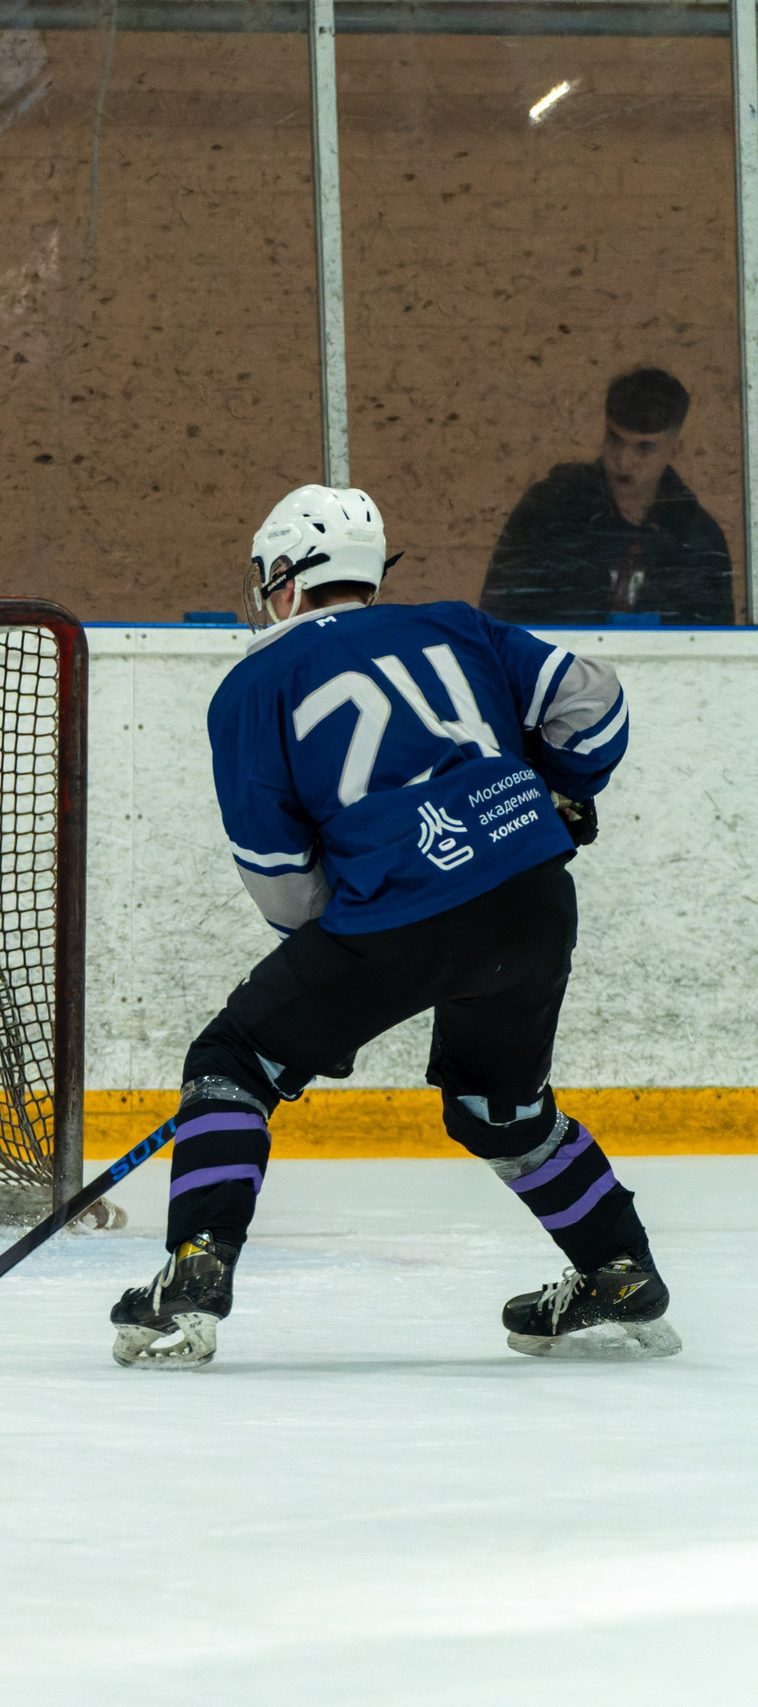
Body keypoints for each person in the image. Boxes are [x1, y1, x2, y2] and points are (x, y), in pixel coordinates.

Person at [112, 484, 679, 1369]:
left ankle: (196, 1267)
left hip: (395, 919)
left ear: (287, 577)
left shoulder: (252, 684)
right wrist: (562, 789)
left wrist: (349, 940)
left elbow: (280, 879)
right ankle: (619, 1266)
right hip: (531, 900)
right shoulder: (458, 625)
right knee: (501, 1109)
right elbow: (594, 702)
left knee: (233, 1060)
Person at [479, 367, 736, 626]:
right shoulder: (549, 511)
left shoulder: (697, 537)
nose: (624, 461)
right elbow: (498, 619)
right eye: (615, 440)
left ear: (674, 450)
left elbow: (714, 641)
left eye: (644, 448)